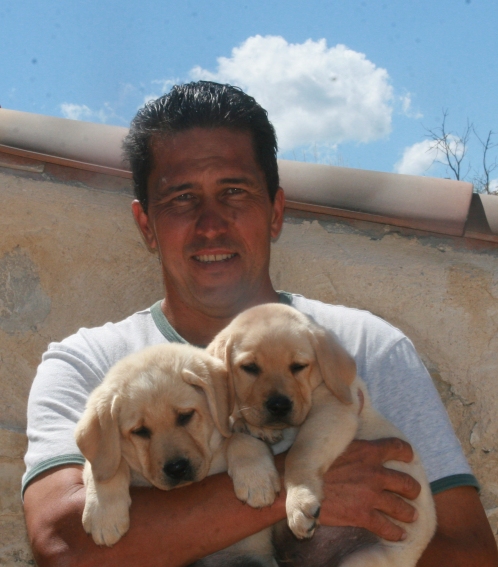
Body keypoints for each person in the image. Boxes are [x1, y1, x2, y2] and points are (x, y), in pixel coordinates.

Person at [22, 81, 498, 567]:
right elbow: (63, 547)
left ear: (275, 212)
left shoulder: (367, 348)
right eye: (182, 197)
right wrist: (298, 482)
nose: (211, 223)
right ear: (147, 225)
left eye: (234, 191)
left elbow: (472, 553)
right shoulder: (88, 365)